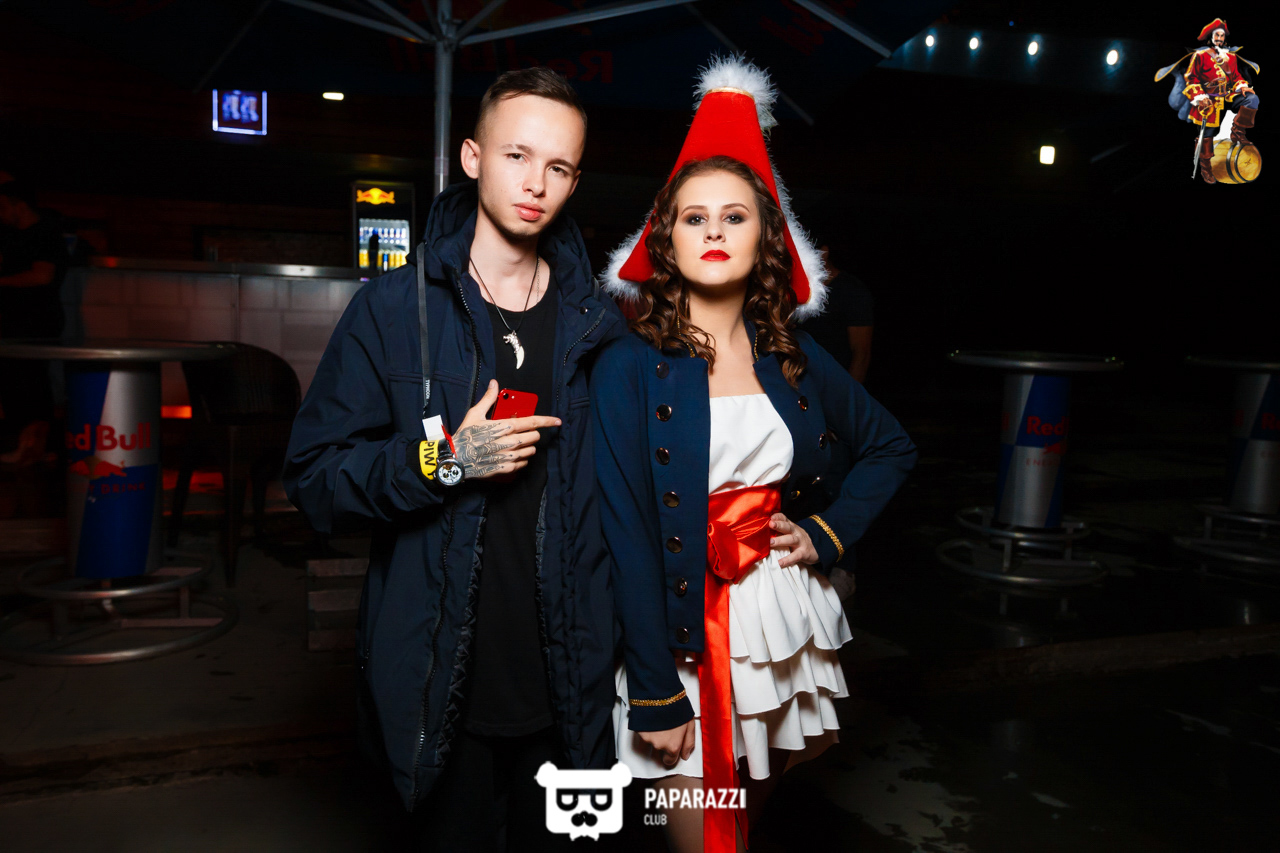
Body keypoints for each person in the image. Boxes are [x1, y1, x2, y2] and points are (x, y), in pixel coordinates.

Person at [283, 67, 626, 852]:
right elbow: (314, 479)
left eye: (559, 166)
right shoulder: (394, 310)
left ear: (575, 181)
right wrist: (443, 461)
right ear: (472, 157)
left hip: (569, 689)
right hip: (439, 686)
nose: (535, 183)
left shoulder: (600, 327)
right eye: (516, 155)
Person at [593, 58, 917, 853]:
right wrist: (657, 689)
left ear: (766, 237)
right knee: (700, 834)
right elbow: (626, 532)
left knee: (745, 817)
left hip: (778, 621)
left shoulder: (794, 357)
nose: (713, 232)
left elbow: (890, 445)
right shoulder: (627, 366)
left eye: (733, 216)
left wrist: (826, 532)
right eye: (693, 217)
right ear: (666, 238)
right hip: (678, 628)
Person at [0, 179, 67, 466]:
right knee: (14, 384)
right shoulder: (13, 235)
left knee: (31, 385)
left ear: (20, 206)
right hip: (15, 320)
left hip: (36, 320)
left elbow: (43, 275)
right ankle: (28, 446)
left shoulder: (45, 233)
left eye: (3, 206)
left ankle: (38, 447)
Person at [1156, 18, 1259, 184]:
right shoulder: (1200, 56)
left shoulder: (1230, 57)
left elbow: (1236, 77)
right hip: (1209, 100)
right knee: (1206, 135)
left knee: (1251, 99)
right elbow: (1191, 79)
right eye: (1217, 35)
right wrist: (1200, 97)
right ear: (1211, 37)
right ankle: (1206, 167)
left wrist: (1242, 86)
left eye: (1222, 35)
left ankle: (1238, 132)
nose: (1220, 38)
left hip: (1227, 96)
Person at [798, 244, 873, 384]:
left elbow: (861, 353)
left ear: (824, 252)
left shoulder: (853, 291)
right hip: (803, 385)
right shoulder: (797, 290)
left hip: (836, 385)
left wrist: (850, 394)